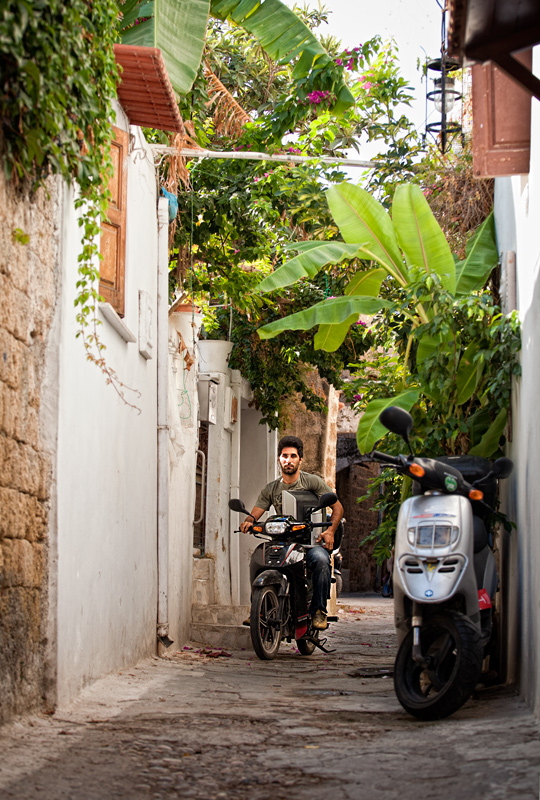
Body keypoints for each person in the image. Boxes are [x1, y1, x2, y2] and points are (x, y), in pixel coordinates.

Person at [240, 435, 344, 630]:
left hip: (310, 543)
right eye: (284, 456)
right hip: (283, 543)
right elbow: (255, 514)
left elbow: (337, 508)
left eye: (293, 456)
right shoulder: (271, 489)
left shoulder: (312, 482)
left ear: (300, 459)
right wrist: (248, 522)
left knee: (321, 560)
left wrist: (330, 531)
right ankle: (259, 609)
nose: (288, 460)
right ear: (279, 459)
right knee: (258, 557)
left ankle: (319, 611)